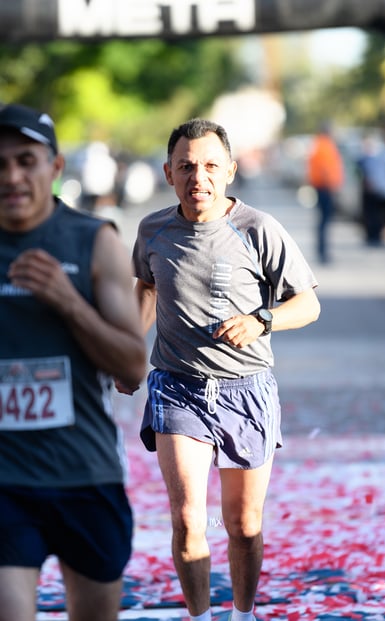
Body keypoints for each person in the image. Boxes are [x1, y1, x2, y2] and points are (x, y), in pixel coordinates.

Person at [131, 118, 320, 621]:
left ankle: (242, 613)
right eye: (186, 166)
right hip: (177, 387)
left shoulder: (259, 229)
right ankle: (200, 617)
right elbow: (146, 287)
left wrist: (263, 320)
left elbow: (307, 305)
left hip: (247, 390)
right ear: (168, 173)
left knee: (242, 523)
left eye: (211, 165)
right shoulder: (152, 230)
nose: (199, 177)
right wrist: (129, 347)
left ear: (231, 171)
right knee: (189, 518)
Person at [0, 103, 147, 621]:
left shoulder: (94, 242)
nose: (11, 177)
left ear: (55, 168)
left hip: (83, 474)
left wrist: (67, 301)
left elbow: (132, 368)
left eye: (25, 161)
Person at [307, 122, 344, 263]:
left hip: (322, 186)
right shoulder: (324, 146)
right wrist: (331, 185)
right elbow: (325, 169)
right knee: (324, 221)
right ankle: (323, 252)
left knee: (324, 220)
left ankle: (323, 251)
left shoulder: (318, 145)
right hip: (325, 187)